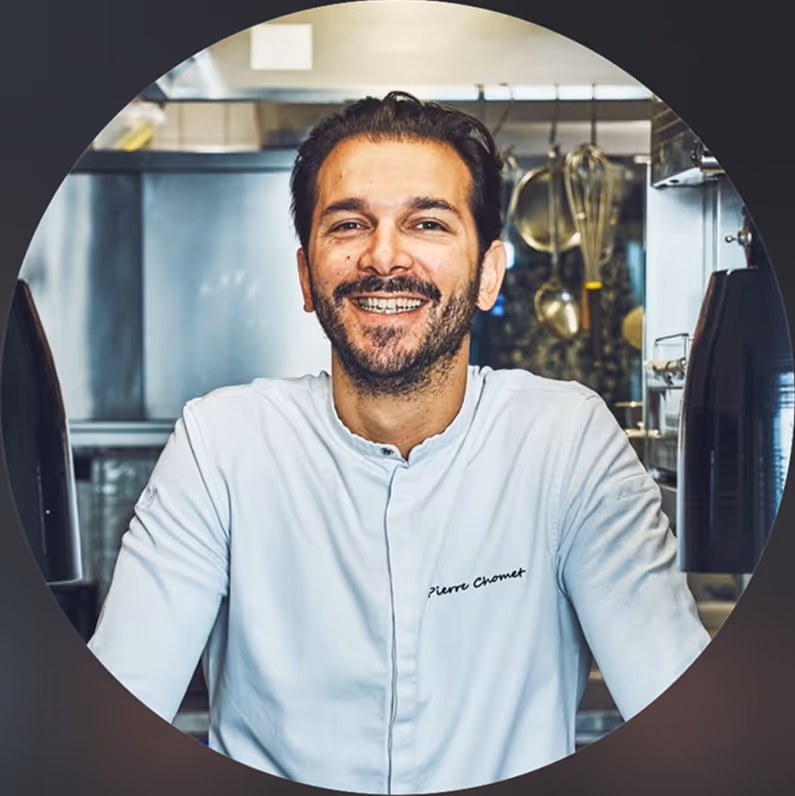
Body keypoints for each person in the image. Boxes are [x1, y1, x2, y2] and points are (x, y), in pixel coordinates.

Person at [88, 91, 710, 794]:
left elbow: (681, 718)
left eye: (428, 223)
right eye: (348, 223)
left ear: (488, 273)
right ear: (304, 274)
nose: (384, 257)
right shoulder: (222, 443)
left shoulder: (564, 442)